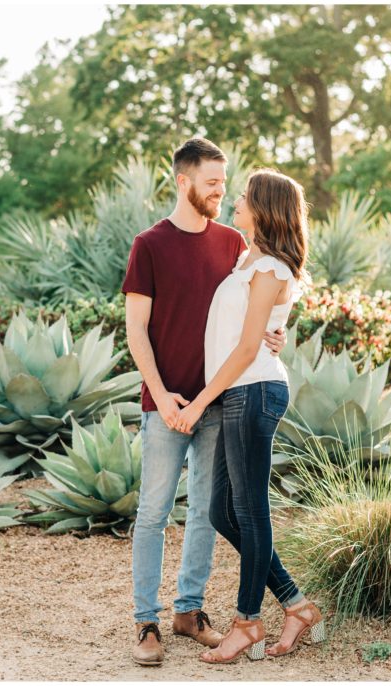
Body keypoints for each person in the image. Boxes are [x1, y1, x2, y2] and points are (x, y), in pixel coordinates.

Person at [121, 138, 287, 667]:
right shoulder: (149, 245)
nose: (221, 191)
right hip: (165, 402)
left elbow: (260, 303)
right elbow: (136, 331)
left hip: (221, 401)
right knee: (153, 512)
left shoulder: (233, 243)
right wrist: (161, 391)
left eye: (224, 183)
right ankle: (146, 619)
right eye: (212, 182)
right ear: (183, 182)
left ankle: (189, 612)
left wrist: (276, 335)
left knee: (204, 515)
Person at [174, 168, 324, 664]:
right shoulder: (248, 258)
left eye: (242, 197)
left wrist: (198, 401)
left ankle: (247, 622)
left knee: (251, 509)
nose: (234, 201)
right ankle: (297, 606)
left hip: (253, 389)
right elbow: (253, 329)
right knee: (222, 510)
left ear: (263, 208)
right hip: (237, 392)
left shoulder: (271, 268)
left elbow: (244, 349)